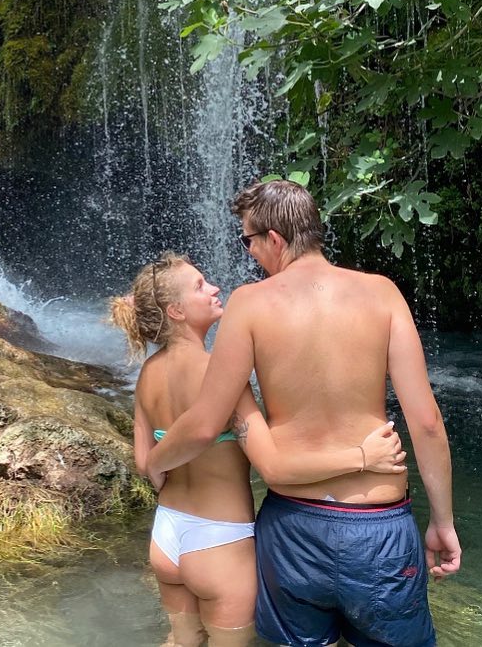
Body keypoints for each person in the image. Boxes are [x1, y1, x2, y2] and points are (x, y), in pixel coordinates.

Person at [146, 182, 461, 647]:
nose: (249, 252)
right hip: (377, 527)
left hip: (293, 528)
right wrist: (443, 521)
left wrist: (155, 461)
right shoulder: (383, 293)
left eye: (248, 240)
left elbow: (205, 423)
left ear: (274, 239)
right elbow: (427, 423)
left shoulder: (249, 303)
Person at [110, 252, 407, 647]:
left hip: (166, 535)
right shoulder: (220, 377)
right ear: (176, 311)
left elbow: (144, 462)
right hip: (219, 542)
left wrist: (161, 464)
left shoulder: (148, 374)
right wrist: (363, 457)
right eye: (199, 285)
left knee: (182, 641)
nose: (214, 288)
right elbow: (276, 467)